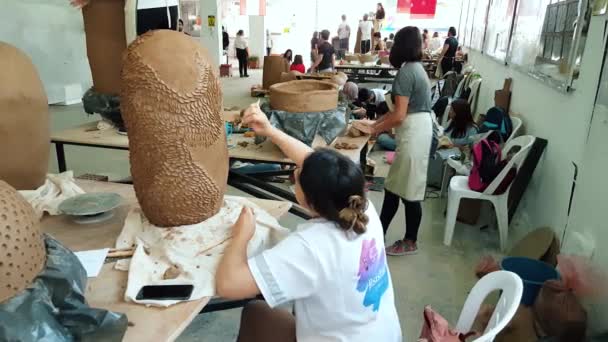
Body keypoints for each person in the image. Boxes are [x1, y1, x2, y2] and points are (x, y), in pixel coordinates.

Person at [216, 103, 402, 342]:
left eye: (299, 172)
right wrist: (270, 130)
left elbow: (229, 285)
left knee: (256, 310)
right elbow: (313, 160)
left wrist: (242, 235)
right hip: (384, 335)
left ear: (308, 201)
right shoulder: (363, 208)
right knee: (257, 312)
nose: (296, 169)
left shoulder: (310, 246)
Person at [369, 26, 433, 256]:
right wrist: (373, 126)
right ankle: (377, 234)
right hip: (415, 129)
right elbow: (397, 111)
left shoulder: (407, 72)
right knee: (393, 187)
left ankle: (410, 241)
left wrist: (374, 130)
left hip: (415, 132)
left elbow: (398, 115)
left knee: (409, 192)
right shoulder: (415, 68)